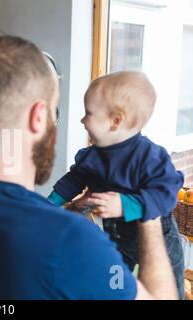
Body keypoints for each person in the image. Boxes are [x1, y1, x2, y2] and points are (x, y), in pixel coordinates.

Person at [0, 36, 178, 300]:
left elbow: (25, 225)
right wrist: (150, 215)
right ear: (39, 116)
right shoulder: (75, 240)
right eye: (55, 112)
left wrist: (74, 206)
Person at [47, 71, 185, 298]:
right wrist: (49, 204)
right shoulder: (91, 156)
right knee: (114, 283)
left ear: (116, 121)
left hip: (157, 234)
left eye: (88, 114)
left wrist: (125, 204)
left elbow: (166, 193)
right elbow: (71, 182)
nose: (82, 121)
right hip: (117, 233)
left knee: (168, 285)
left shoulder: (149, 157)